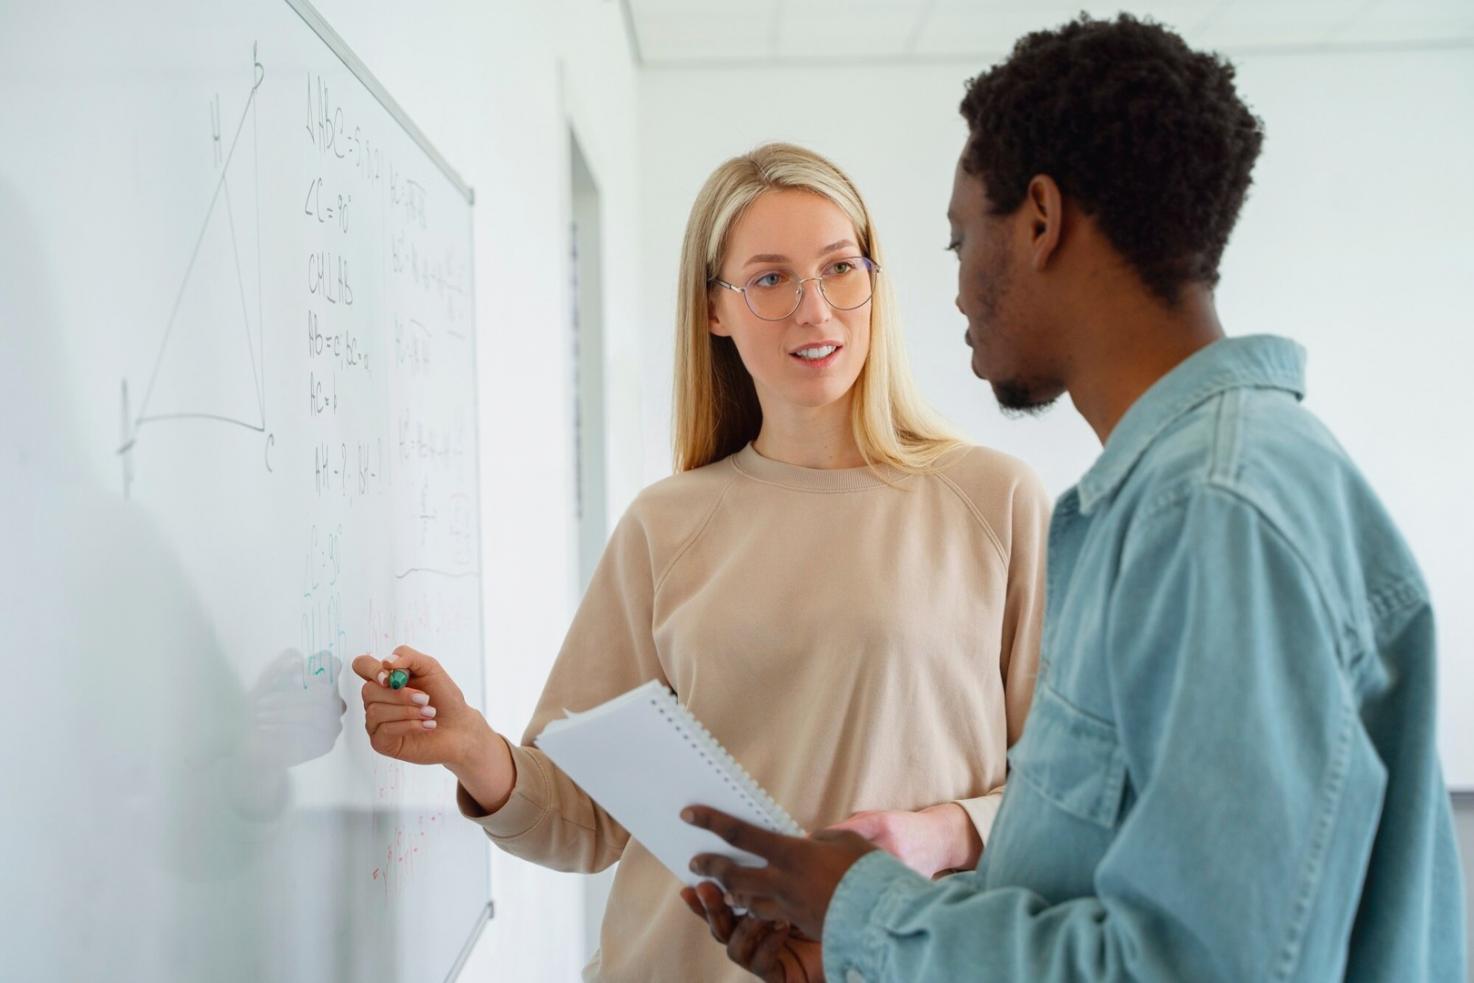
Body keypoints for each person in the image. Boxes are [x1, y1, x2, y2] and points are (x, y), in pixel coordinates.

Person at [682, 15, 1467, 982]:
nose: (956, 290)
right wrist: (860, 940)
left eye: (961, 239)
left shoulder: (1214, 512)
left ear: (1042, 221)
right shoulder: (1173, 498)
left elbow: (1194, 967)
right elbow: (1103, 892)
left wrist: (866, 908)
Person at [352, 143, 1052, 981]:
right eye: (770, 278)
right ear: (714, 309)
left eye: (839, 267)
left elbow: (1075, 799)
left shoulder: (995, 501)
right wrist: (472, 747)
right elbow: (584, 820)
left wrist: (939, 832)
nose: (815, 309)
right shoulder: (667, 523)